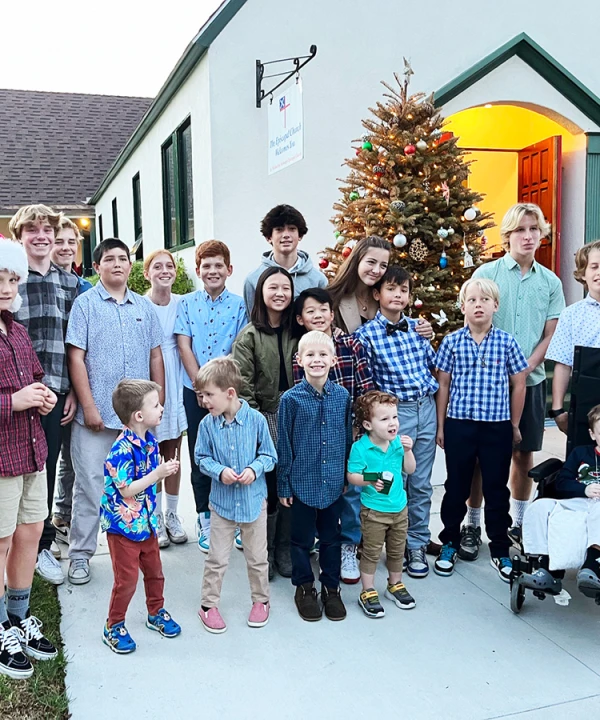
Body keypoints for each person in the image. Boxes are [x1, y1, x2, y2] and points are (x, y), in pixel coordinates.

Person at [464, 203, 564, 554]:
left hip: (531, 380)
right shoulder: (488, 273)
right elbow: (472, 323)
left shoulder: (550, 281)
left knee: (523, 453)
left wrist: (524, 367)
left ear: (541, 234)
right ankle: (473, 523)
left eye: (534, 229)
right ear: (507, 236)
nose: (528, 236)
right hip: (486, 383)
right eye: (520, 230)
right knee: (481, 457)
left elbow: (551, 332)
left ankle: (518, 523)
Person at [65, 238, 164, 586]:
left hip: (136, 423)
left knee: (136, 487)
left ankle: (136, 549)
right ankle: (80, 554)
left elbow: (155, 356)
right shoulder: (85, 305)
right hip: (95, 419)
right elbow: (76, 357)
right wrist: (89, 406)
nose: (118, 264)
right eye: (110, 259)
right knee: (92, 487)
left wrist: (157, 402)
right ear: (97, 267)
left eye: (124, 259)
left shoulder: (143, 306)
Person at [434, 278, 528, 582]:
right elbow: (444, 384)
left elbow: (519, 383)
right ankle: (450, 541)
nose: (478, 304)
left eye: (485, 300)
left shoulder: (506, 342)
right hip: (460, 425)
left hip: (496, 427)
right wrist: (441, 425)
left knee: (496, 489)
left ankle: (500, 548)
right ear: (463, 306)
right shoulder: (451, 342)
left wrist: (513, 424)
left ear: (495, 306)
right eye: (472, 300)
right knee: (456, 486)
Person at [10, 205, 79, 586]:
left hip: (52, 393)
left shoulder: (68, 284)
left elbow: (74, 344)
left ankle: (41, 546)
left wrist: (70, 391)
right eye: (32, 230)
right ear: (21, 236)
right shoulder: (10, 280)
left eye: (46, 229)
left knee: (46, 468)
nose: (41, 236)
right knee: (12, 470)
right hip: (13, 391)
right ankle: (11, 539)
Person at [354, 265, 438, 579]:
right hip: (393, 413)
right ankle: (386, 544)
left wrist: (430, 333)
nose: (398, 295)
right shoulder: (365, 336)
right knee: (390, 481)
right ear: (377, 294)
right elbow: (365, 382)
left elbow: (434, 366)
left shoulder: (418, 329)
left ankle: (415, 543)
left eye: (403, 290)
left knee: (420, 481)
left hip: (425, 407)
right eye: (391, 289)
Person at [0, 239, 58, 679]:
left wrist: (41, 394)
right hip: (0, 459)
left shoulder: (16, 330)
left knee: (29, 533)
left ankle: (18, 618)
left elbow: (32, 376)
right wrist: (13, 401)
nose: (6, 286)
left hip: (31, 451)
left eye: (12, 278)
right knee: (0, 542)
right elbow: (11, 395)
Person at [293, 286, 374, 584]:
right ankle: (320, 540)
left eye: (323, 309)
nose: (318, 315)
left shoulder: (351, 346)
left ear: (332, 312)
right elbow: (300, 394)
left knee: (350, 491)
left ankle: (348, 545)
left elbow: (366, 389)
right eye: (310, 310)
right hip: (316, 435)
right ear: (301, 318)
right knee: (318, 488)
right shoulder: (301, 352)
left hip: (350, 431)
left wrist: (359, 425)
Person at [195, 358, 277, 633]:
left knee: (257, 556)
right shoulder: (207, 425)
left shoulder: (256, 420)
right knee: (217, 557)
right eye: (202, 395)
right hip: (222, 504)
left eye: (209, 395)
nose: (205, 401)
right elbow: (201, 457)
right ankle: (208, 605)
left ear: (230, 393)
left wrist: (255, 469)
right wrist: (219, 471)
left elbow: (269, 455)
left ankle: (261, 600)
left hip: (254, 502)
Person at [174, 240, 247, 552]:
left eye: (219, 265)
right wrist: (201, 387)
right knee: (200, 453)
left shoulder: (240, 305)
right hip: (195, 392)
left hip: (227, 393)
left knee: (233, 453)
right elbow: (183, 344)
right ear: (198, 271)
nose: (213, 271)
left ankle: (234, 518)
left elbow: (239, 348)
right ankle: (204, 515)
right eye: (207, 266)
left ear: (229, 270)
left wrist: (220, 390)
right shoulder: (187, 304)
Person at [101, 379, 181, 654]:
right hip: (123, 528)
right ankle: (114, 625)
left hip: (146, 524)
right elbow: (126, 491)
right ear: (138, 415)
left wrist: (163, 469)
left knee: (156, 573)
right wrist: (156, 475)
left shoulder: (149, 441)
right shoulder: (121, 450)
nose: (161, 409)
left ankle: (155, 612)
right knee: (126, 581)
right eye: (155, 405)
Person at [278, 330, 353, 622]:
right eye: (310, 354)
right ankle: (305, 587)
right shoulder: (291, 400)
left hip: (333, 483)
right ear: (300, 360)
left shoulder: (343, 397)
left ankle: (331, 589)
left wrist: (345, 475)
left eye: (323, 355)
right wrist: (284, 482)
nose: (317, 360)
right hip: (302, 484)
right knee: (301, 540)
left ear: (333, 360)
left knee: (331, 539)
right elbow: (284, 443)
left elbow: (346, 438)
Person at [232, 267, 298, 579]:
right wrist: (260, 426)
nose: (280, 293)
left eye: (286, 288)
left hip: (298, 415)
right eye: (273, 287)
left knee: (291, 482)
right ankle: (266, 552)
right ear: (261, 292)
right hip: (265, 415)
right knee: (270, 484)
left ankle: (285, 548)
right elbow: (243, 386)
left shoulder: (298, 330)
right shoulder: (249, 336)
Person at [347, 391, 417, 618]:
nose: (393, 423)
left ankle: (395, 585)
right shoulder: (361, 448)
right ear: (368, 424)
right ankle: (367, 591)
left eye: (395, 417)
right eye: (385, 419)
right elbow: (352, 476)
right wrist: (369, 479)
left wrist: (408, 451)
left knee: (397, 551)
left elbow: (410, 470)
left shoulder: (397, 443)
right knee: (371, 552)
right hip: (374, 511)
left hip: (399, 508)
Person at [522, 404, 600, 597]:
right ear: (592, 434)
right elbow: (562, 482)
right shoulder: (581, 453)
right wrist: (584, 489)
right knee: (540, 507)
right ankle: (547, 569)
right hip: (577, 501)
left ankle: (593, 565)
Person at [51, 215, 93, 550]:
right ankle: (52, 522)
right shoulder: (38, 284)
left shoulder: (86, 289)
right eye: (59, 241)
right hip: (47, 383)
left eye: (70, 242)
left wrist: (79, 392)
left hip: (75, 384)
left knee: (72, 455)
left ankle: (63, 516)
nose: (65, 248)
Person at [143, 250, 188, 548]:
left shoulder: (183, 303)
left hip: (178, 372)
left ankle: (172, 514)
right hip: (150, 375)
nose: (164, 270)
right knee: (152, 449)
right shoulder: (141, 304)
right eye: (157, 266)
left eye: (169, 266)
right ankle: (155, 515)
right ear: (147, 273)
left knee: (173, 449)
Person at [546, 240, 600, 433]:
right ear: (583, 274)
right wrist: (558, 409)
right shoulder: (571, 314)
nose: (599, 272)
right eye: (594, 267)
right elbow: (563, 363)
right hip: (585, 401)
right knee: (584, 459)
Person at [243, 204, 326, 313]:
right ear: (269, 237)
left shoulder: (318, 280)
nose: (286, 235)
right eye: (279, 229)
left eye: (292, 229)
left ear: (300, 235)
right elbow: (252, 321)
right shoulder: (253, 279)